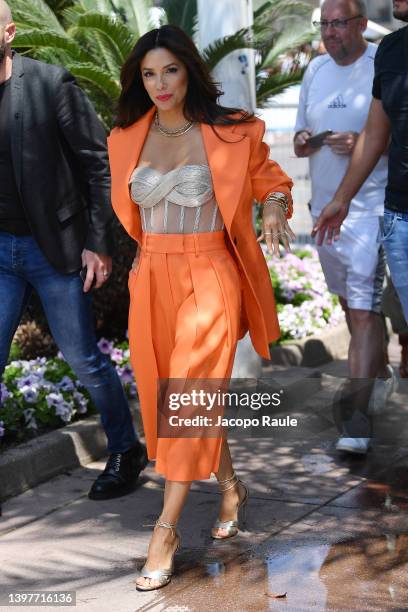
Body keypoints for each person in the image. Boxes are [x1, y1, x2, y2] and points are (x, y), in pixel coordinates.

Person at [108, 25, 294, 591]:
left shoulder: (231, 132)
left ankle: (165, 531)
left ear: (189, 70)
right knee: (171, 394)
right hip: (150, 278)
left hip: (210, 273)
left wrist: (274, 206)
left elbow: (272, 180)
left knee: (187, 394)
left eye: (170, 70)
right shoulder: (126, 136)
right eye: (148, 74)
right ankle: (231, 485)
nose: (160, 83)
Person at [0, 1, 147, 500]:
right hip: (0, 252)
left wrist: (97, 243)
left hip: (54, 248)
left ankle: (126, 450)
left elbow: (97, 163)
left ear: (9, 33)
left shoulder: (48, 83)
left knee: (84, 358)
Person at [294, 0, 396, 456]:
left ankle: (357, 419)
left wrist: (366, 143)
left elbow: (396, 133)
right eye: (325, 25)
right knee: (349, 305)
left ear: (360, 24)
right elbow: (299, 142)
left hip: (369, 209)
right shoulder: (314, 70)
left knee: (361, 309)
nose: (330, 33)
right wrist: (307, 139)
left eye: (339, 24)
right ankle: (380, 373)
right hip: (324, 213)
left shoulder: (382, 62)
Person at [313, 0, 408, 322]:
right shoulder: (392, 49)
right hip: (399, 216)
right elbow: (375, 134)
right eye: (324, 24)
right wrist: (341, 200)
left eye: (338, 22)